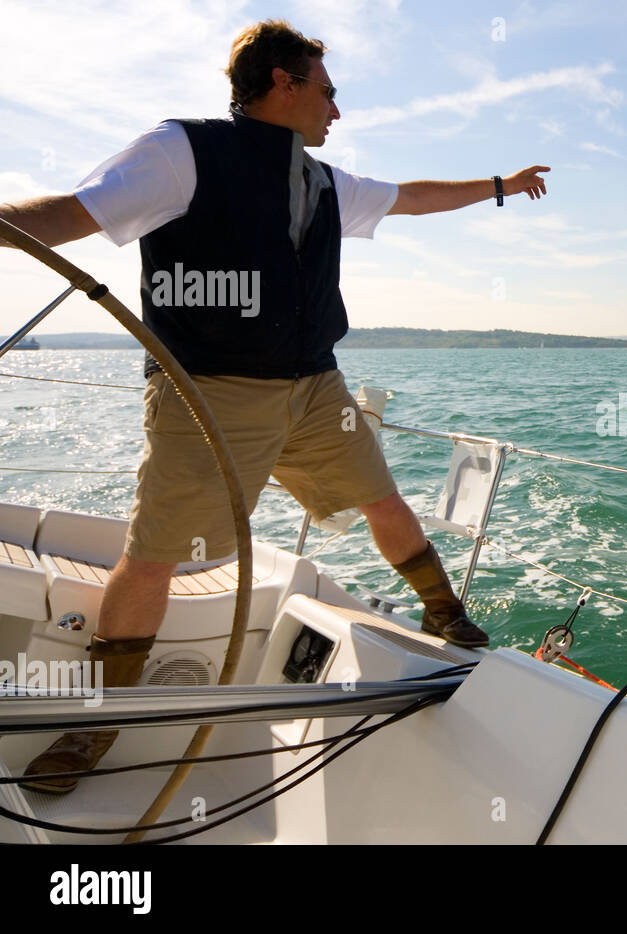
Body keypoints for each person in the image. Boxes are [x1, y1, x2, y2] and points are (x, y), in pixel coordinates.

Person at [0, 19, 550, 794]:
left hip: (316, 386)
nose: (337, 110)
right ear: (283, 85)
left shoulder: (324, 181)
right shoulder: (181, 150)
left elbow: (413, 197)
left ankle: (445, 616)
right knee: (157, 552)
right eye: (327, 92)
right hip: (211, 392)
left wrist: (496, 186)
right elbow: (69, 215)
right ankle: (94, 721)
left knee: (381, 496)